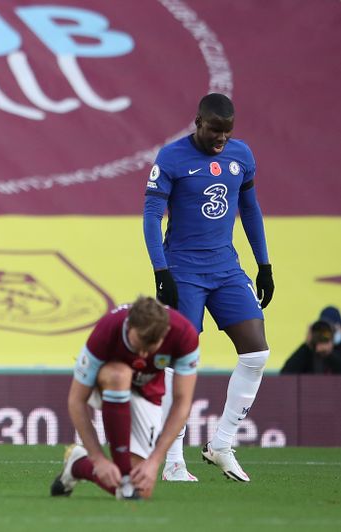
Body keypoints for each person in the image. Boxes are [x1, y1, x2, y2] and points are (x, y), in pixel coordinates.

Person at [143, 93, 273, 482]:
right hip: (183, 270)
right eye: (215, 130)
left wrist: (264, 263)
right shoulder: (171, 157)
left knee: (257, 353)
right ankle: (173, 461)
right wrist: (160, 271)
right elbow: (151, 216)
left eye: (227, 133)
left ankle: (221, 444)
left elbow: (249, 210)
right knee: (182, 361)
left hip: (226, 268)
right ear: (198, 121)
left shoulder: (241, 156)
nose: (221, 139)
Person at [50, 297, 199, 500]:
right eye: (139, 344)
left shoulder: (184, 334)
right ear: (129, 326)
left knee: (141, 491)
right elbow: (76, 400)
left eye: (152, 346)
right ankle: (121, 476)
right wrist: (99, 458)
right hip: (105, 383)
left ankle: (79, 465)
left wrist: (155, 461)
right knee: (119, 375)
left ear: (165, 333)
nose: (144, 354)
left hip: (148, 392)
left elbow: (183, 402)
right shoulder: (107, 330)